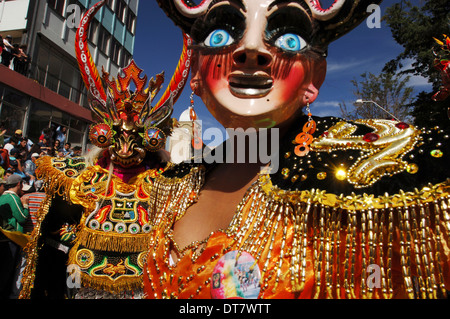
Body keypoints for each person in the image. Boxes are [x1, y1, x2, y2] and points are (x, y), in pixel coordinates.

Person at [139, 0, 450, 300]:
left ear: (315, 76)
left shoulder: (378, 168)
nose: (250, 51)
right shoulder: (172, 183)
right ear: (195, 70)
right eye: (220, 35)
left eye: (289, 38)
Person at [19, 0, 192, 299]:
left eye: (137, 139)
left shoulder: (170, 183)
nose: (125, 149)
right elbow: (51, 234)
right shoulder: (77, 178)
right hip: (81, 284)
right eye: (115, 138)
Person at [0, 175, 30, 298]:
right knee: (9, 270)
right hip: (12, 238)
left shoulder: (2, 197)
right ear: (19, 184)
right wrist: (25, 205)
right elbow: (22, 218)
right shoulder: (12, 197)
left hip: (4, 238)